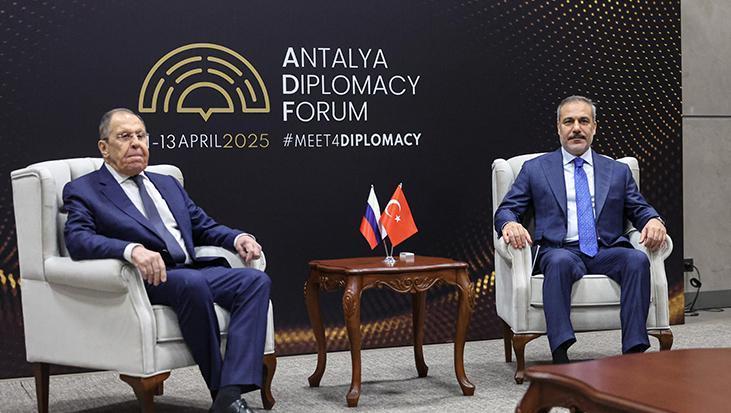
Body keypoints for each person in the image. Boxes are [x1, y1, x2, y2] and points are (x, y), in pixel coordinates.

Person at [63, 108, 268, 413]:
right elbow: (78, 240)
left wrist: (237, 238)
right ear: (104, 148)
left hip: (190, 271)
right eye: (124, 136)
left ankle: (230, 391)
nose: (136, 143)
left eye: (141, 135)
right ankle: (220, 392)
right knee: (191, 282)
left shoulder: (167, 183)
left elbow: (203, 226)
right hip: (147, 278)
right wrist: (131, 250)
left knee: (254, 281)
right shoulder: (85, 189)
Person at [494, 96, 667, 364]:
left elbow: (639, 209)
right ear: (558, 128)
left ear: (594, 127)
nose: (576, 128)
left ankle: (633, 354)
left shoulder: (618, 171)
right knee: (559, 262)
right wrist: (510, 223)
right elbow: (507, 209)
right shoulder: (535, 169)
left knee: (636, 259)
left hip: (606, 249)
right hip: (560, 249)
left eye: (584, 121)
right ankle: (561, 352)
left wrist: (653, 221)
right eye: (569, 121)